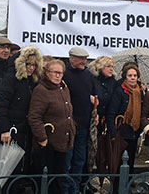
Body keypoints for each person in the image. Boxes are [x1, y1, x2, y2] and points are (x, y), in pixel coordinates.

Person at [0, 46, 43, 178]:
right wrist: (4, 129)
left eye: (33, 65)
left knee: (20, 169)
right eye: (28, 64)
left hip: (24, 131)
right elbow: (1, 105)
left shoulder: (32, 82)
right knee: (7, 171)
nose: (31, 68)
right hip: (10, 131)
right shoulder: (10, 79)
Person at [28, 59, 75, 194]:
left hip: (63, 142)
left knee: (58, 180)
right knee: (46, 182)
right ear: (47, 73)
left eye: (60, 73)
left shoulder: (64, 88)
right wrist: (42, 139)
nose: (57, 75)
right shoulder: (41, 90)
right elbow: (34, 117)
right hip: (47, 144)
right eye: (54, 72)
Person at [63, 47, 95, 192]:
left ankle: (75, 189)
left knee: (79, 161)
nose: (84, 61)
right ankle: (65, 190)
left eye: (85, 58)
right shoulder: (64, 75)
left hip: (83, 125)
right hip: (68, 126)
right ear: (71, 58)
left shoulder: (88, 75)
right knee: (66, 161)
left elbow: (94, 93)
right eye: (81, 59)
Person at [107, 63, 144, 172]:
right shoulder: (119, 91)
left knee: (131, 159)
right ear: (125, 77)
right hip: (121, 131)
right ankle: (118, 186)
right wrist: (113, 133)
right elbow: (111, 113)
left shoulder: (141, 92)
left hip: (134, 131)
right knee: (118, 161)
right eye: (130, 75)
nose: (133, 78)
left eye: (135, 75)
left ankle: (129, 183)